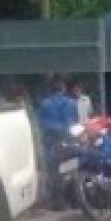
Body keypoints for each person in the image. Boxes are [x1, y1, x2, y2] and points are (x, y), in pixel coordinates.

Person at [38, 77, 79, 210]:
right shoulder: (72, 103)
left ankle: (58, 203)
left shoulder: (44, 104)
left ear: (51, 90)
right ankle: (75, 200)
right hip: (69, 139)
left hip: (51, 141)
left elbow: (41, 124)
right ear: (63, 89)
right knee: (72, 170)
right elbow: (76, 121)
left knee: (54, 172)